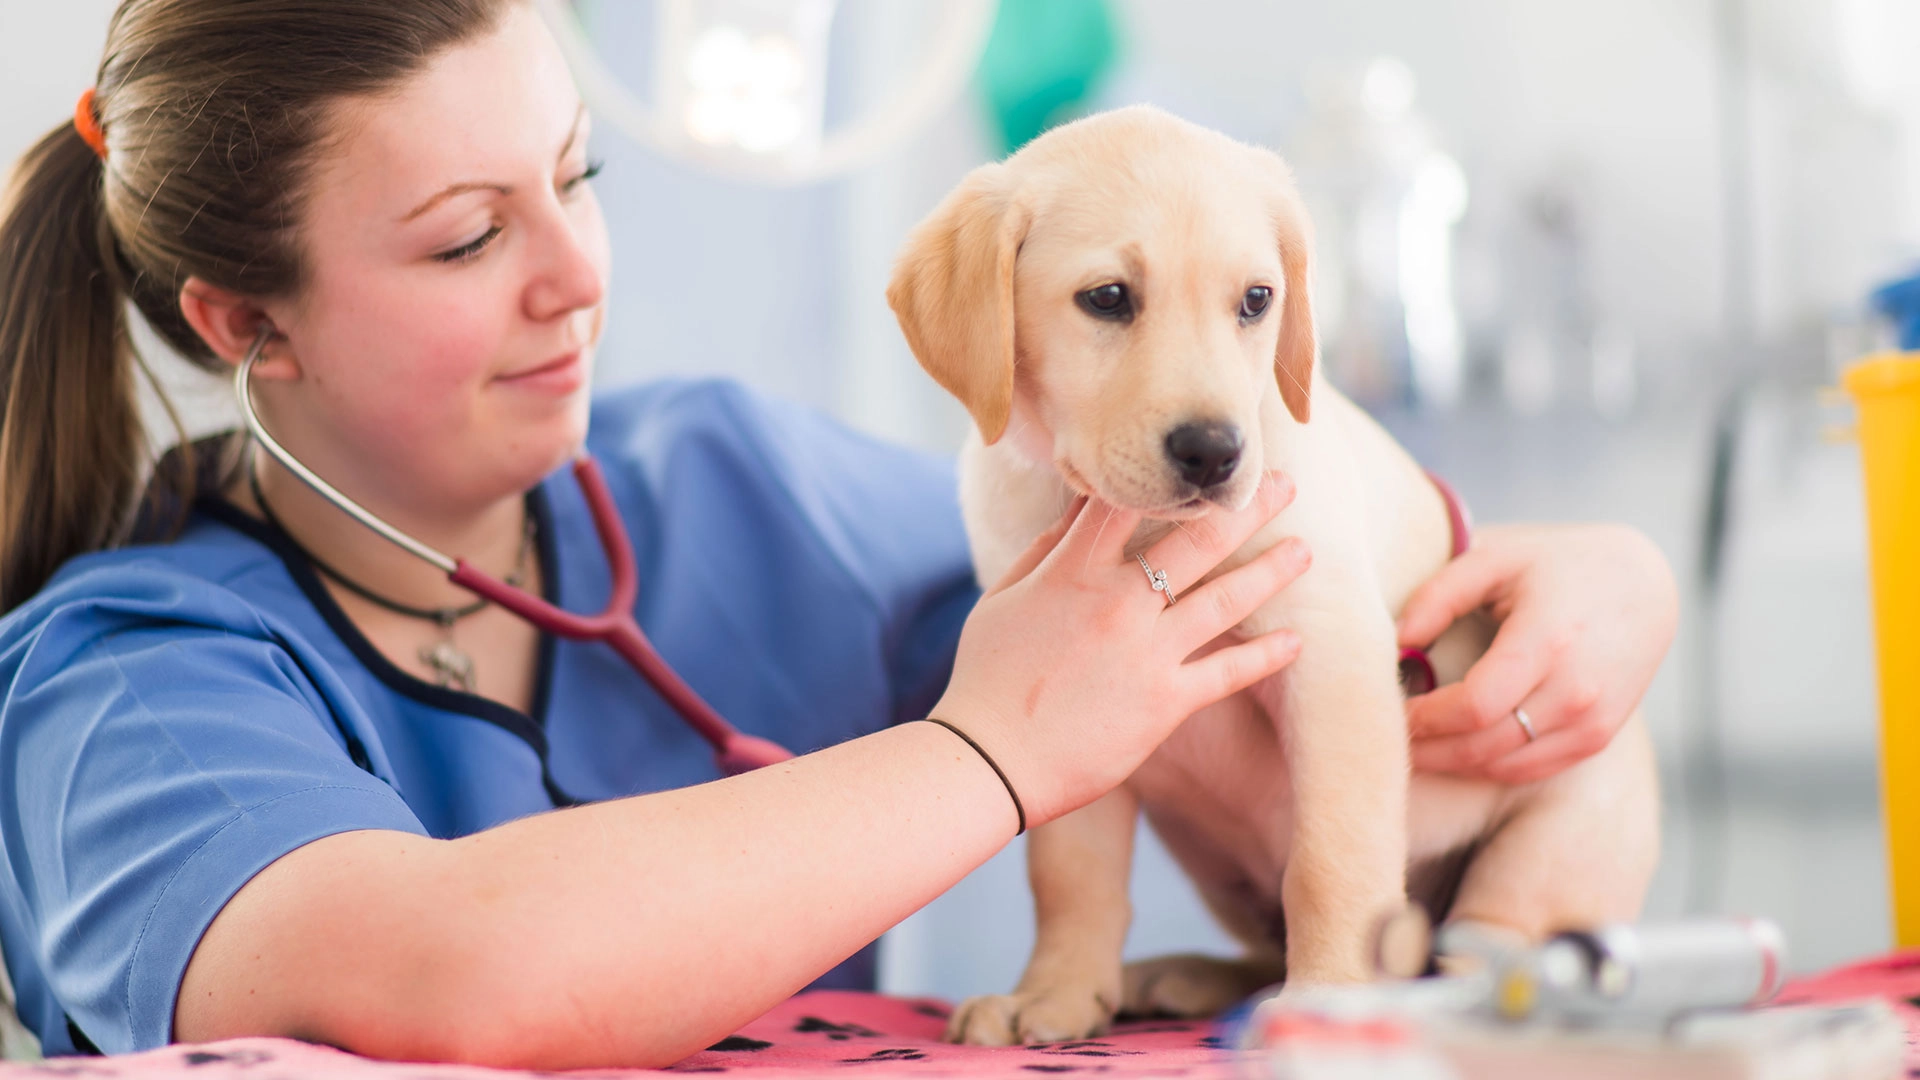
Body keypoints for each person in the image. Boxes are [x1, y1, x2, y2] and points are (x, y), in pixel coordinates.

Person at [0, 0, 1676, 1068]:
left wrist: (1589, 571)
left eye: (577, 178)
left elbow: (1244, 551)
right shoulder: (130, 693)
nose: (579, 277)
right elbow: (448, 987)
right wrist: (989, 751)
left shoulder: (735, 484)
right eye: (463, 240)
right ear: (246, 324)